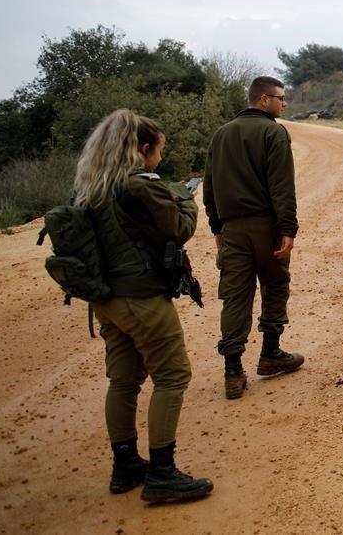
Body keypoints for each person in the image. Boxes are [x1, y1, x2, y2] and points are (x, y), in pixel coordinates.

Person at [72, 109, 213, 503]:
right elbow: (180, 227)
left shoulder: (91, 187)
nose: (159, 160)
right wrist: (186, 195)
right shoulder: (140, 186)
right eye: (157, 152)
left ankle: (125, 464)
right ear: (144, 148)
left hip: (106, 299)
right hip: (141, 297)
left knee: (123, 380)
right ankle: (163, 472)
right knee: (172, 375)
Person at [203, 76, 304, 400]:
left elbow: (209, 188)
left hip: (232, 229)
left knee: (235, 297)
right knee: (275, 286)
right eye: (280, 98)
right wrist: (287, 229)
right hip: (266, 227)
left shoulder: (221, 134)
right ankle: (270, 353)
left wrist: (217, 227)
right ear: (263, 100)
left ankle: (233, 371)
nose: (284, 104)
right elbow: (281, 187)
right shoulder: (274, 132)